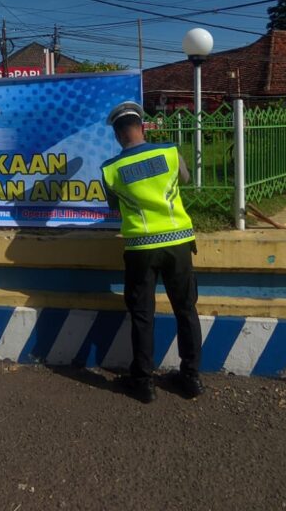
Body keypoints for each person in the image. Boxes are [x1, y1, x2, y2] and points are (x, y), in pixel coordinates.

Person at [100, 101, 204, 403]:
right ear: (142, 127)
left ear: (118, 134)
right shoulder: (169, 153)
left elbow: (114, 206)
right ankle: (191, 378)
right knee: (186, 309)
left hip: (141, 249)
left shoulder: (110, 170)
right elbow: (185, 179)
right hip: (178, 243)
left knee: (142, 315)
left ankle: (144, 383)